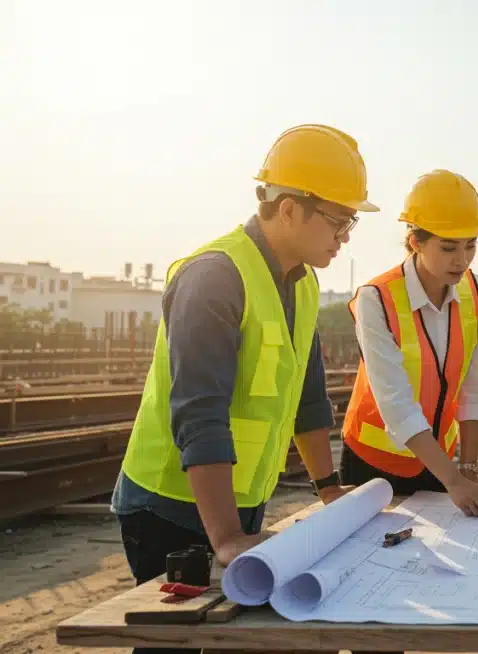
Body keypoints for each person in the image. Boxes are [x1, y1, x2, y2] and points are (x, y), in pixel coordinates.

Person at [110, 124, 376, 653]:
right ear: (289, 208)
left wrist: (329, 491)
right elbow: (199, 412)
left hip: (240, 500)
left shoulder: (301, 281)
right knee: (174, 644)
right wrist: (226, 537)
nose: (345, 234)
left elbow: (308, 396)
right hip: (170, 505)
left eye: (350, 222)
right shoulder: (215, 275)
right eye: (339, 219)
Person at [339, 169, 478, 517]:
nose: (462, 259)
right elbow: (397, 405)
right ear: (415, 242)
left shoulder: (474, 290)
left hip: (438, 464)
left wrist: (467, 471)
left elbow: (474, 386)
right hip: (373, 467)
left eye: (471, 245)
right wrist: (455, 480)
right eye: (449, 247)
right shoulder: (376, 299)